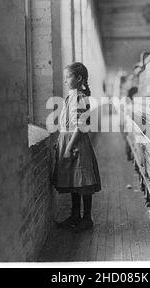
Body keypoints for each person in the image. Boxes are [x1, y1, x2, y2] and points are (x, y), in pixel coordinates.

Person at [52, 62, 101, 232]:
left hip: (77, 141)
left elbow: (81, 125)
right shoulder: (69, 97)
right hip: (67, 139)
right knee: (74, 179)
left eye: (68, 77)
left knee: (83, 180)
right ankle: (75, 215)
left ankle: (87, 218)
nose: (65, 81)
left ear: (78, 78)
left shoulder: (81, 97)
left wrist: (69, 146)